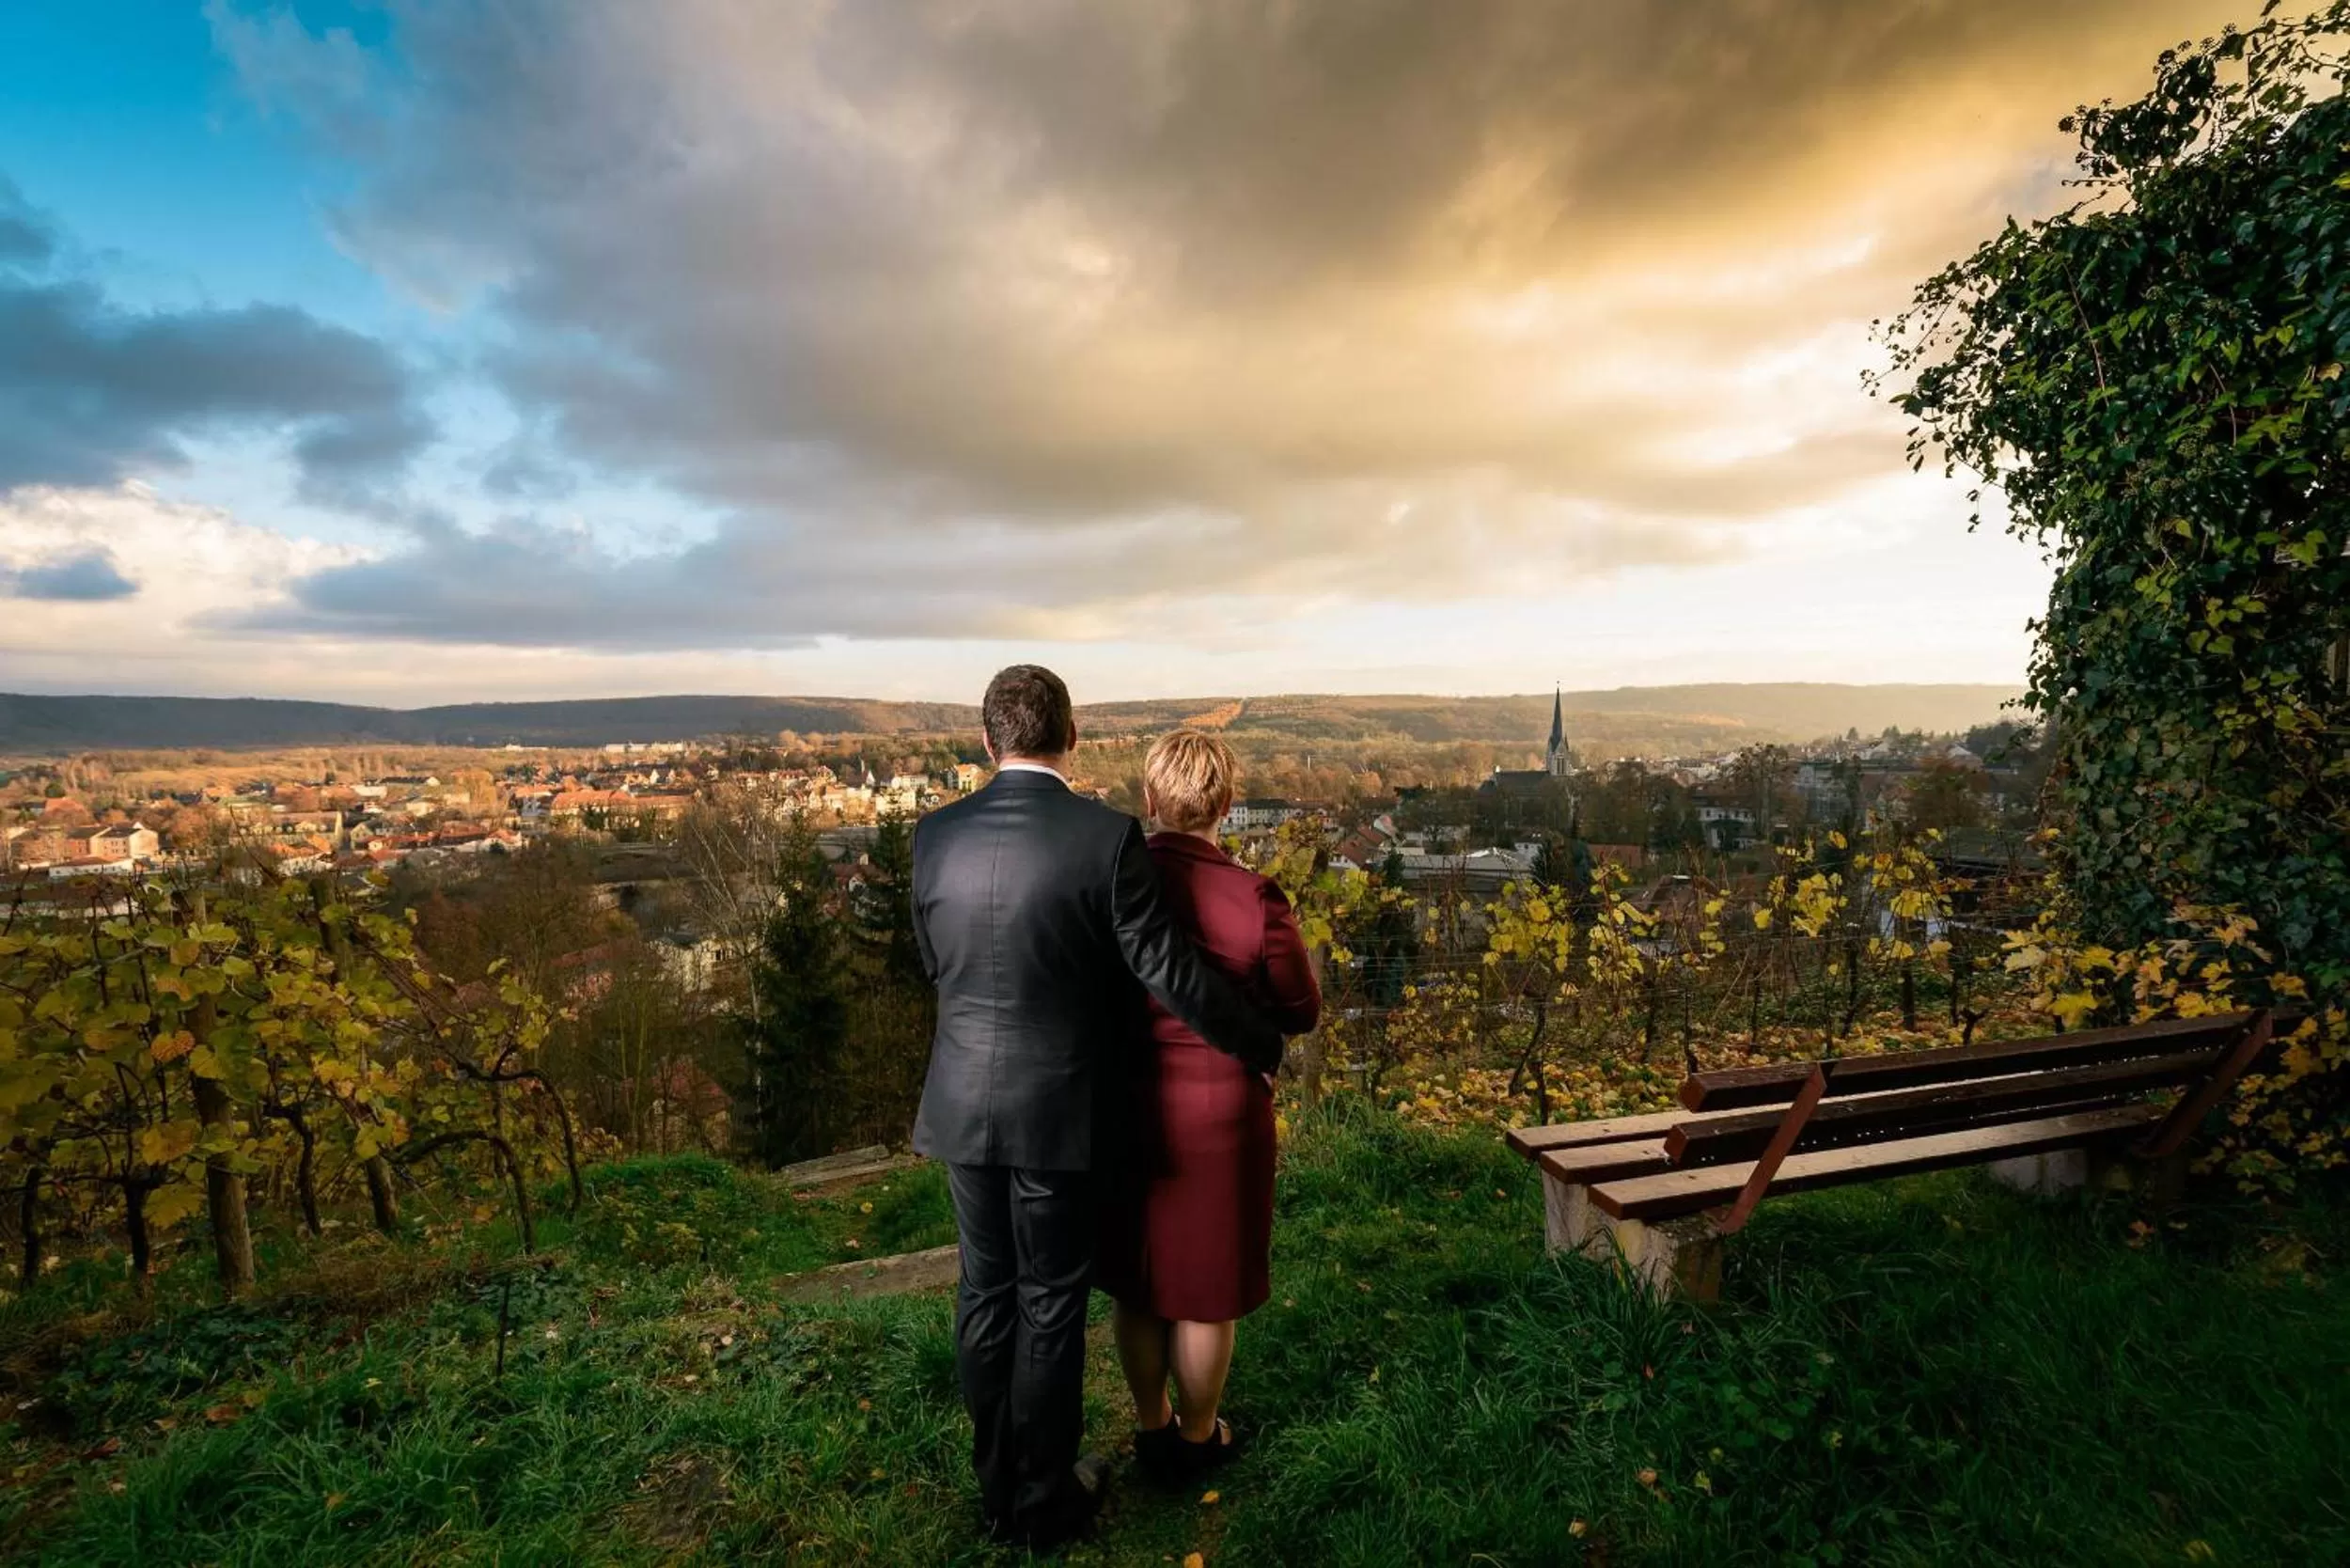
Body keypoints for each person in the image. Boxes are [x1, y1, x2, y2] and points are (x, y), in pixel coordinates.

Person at [909, 666, 1284, 1551]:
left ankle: (998, 1489)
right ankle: (1045, 1500)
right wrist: (1258, 1045)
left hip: (961, 1098)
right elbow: (1168, 970)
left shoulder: (934, 836)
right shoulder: (1104, 837)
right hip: (1057, 1105)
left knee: (984, 1292)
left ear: (987, 741)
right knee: (1049, 1299)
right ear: (1072, 736)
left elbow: (934, 961)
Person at [1101, 729, 1322, 1479]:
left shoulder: (1110, 887)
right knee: (1205, 1289)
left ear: (1149, 798)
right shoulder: (1254, 899)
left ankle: (1151, 1425)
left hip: (1125, 1102)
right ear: (1227, 803)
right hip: (1221, 1114)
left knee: (1137, 1281)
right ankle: (1198, 1438)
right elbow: (1301, 1009)